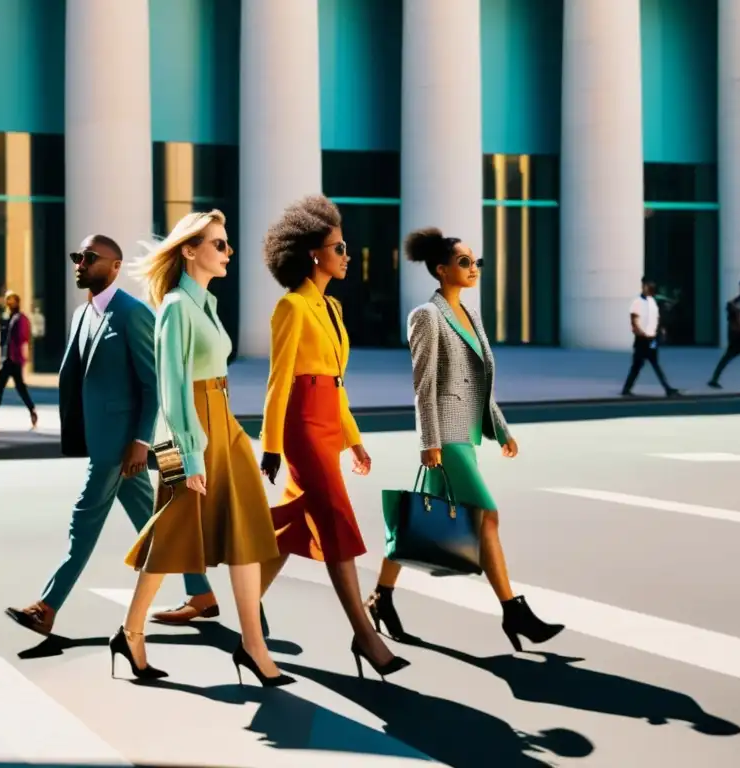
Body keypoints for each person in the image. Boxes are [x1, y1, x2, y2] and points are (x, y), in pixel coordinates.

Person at [365, 227, 564, 653]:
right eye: (464, 262)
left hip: (469, 433)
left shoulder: (472, 317)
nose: (473, 268)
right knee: (487, 515)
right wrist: (428, 440)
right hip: (447, 435)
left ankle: (381, 595)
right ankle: (514, 611)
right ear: (440, 270)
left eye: (476, 262)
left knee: (413, 522)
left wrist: (502, 428)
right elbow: (424, 384)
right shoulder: (427, 315)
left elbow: (480, 384)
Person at [5, 235, 214, 637]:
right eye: (76, 256)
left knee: (83, 522)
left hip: (121, 447)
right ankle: (200, 591)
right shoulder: (82, 315)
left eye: (89, 257)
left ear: (115, 266)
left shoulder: (131, 314)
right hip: (102, 440)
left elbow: (155, 384)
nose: (79, 263)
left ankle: (47, 607)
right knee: (151, 520)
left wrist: (140, 441)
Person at [116, 210, 291, 687]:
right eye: (218, 243)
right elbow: (172, 390)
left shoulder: (207, 304)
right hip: (184, 431)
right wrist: (191, 454)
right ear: (189, 251)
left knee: (246, 529)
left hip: (221, 422)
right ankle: (131, 632)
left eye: (227, 243)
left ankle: (253, 645)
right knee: (172, 535)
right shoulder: (175, 306)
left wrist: (231, 432)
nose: (227, 251)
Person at [256, 194, 409, 680]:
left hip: (327, 420)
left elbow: (337, 382)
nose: (346, 255)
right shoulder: (292, 307)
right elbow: (280, 379)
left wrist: (355, 439)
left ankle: (240, 610)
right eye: (338, 248)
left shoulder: (333, 308)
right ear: (313, 255)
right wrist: (272, 444)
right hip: (300, 424)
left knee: (291, 529)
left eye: (345, 247)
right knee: (337, 522)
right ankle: (365, 636)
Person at [0, 290, 37, 436]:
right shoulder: (8, 318)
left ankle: (31, 410)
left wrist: (23, 356)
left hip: (14, 359)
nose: (8, 302)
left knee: (19, 387)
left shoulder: (21, 318)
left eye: (11, 300)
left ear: (17, 302)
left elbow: (24, 339)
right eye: (7, 300)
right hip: (6, 359)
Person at [621, 277, 679, 397]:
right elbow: (634, 321)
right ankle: (626, 389)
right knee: (637, 366)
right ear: (643, 286)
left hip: (651, 340)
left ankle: (667, 388)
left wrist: (660, 331)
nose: (651, 288)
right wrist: (641, 333)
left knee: (653, 363)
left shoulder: (652, 302)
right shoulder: (638, 302)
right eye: (648, 285)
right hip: (642, 341)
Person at [708, 280, 740, 389]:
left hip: (735, 337)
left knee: (726, 358)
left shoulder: (733, 303)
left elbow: (730, 320)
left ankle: (714, 379)